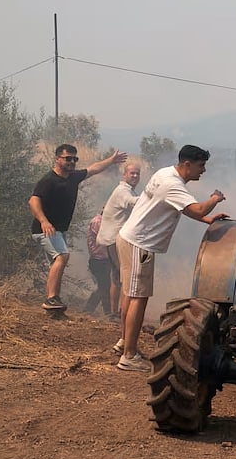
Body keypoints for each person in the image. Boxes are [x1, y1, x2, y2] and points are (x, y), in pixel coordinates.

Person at [115, 145, 227, 372]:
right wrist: (215, 198)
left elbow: (180, 209)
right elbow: (196, 210)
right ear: (187, 164)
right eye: (201, 165)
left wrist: (208, 220)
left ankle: (124, 343)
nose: (203, 170)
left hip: (129, 238)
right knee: (139, 297)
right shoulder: (173, 184)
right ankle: (128, 355)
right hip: (140, 244)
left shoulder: (164, 173)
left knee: (130, 294)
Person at [29, 144, 128, 311]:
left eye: (75, 159)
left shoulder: (73, 177)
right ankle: (51, 298)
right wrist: (44, 221)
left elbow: (93, 169)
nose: (72, 162)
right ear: (57, 159)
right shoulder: (49, 180)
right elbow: (33, 201)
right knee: (62, 256)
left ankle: (53, 303)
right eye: (68, 158)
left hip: (58, 230)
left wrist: (111, 160)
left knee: (57, 262)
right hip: (44, 229)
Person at [96, 160, 141, 351]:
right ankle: (123, 322)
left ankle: (118, 316)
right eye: (132, 173)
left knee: (120, 278)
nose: (135, 177)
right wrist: (154, 198)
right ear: (124, 175)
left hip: (113, 239)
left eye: (137, 174)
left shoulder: (126, 190)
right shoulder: (123, 191)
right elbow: (134, 203)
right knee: (125, 279)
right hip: (115, 240)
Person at [84, 212, 112, 315]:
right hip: (98, 260)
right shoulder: (98, 221)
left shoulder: (105, 222)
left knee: (103, 286)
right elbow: (106, 238)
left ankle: (89, 310)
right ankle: (107, 313)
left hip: (104, 259)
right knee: (103, 286)